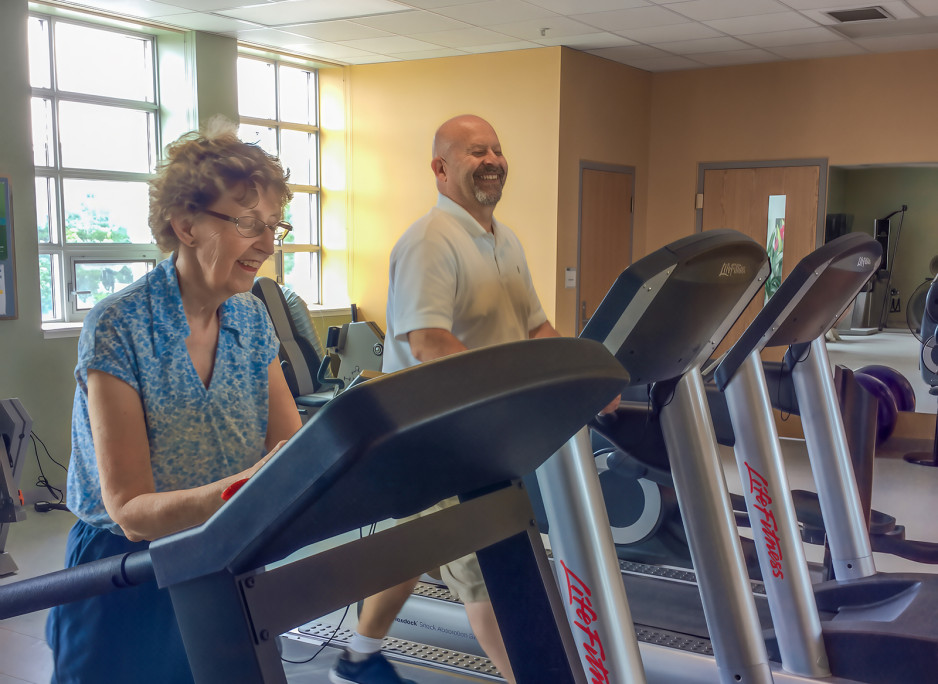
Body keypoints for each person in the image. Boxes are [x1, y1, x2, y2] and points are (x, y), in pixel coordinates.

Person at [46, 119, 303, 683]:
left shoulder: (251, 316)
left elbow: (287, 446)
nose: (266, 243)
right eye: (247, 224)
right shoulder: (120, 324)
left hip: (224, 555)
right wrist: (248, 490)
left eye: (273, 226)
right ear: (185, 224)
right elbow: (132, 511)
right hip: (124, 573)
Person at [330, 114, 562, 684]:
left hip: (486, 435)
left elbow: (536, 328)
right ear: (440, 168)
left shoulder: (502, 240)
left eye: (497, 148)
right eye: (475, 150)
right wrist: (506, 392)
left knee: (412, 546)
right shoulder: (430, 241)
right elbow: (428, 342)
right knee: (487, 568)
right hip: (436, 435)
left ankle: (357, 658)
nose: (492, 159)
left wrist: (584, 374)